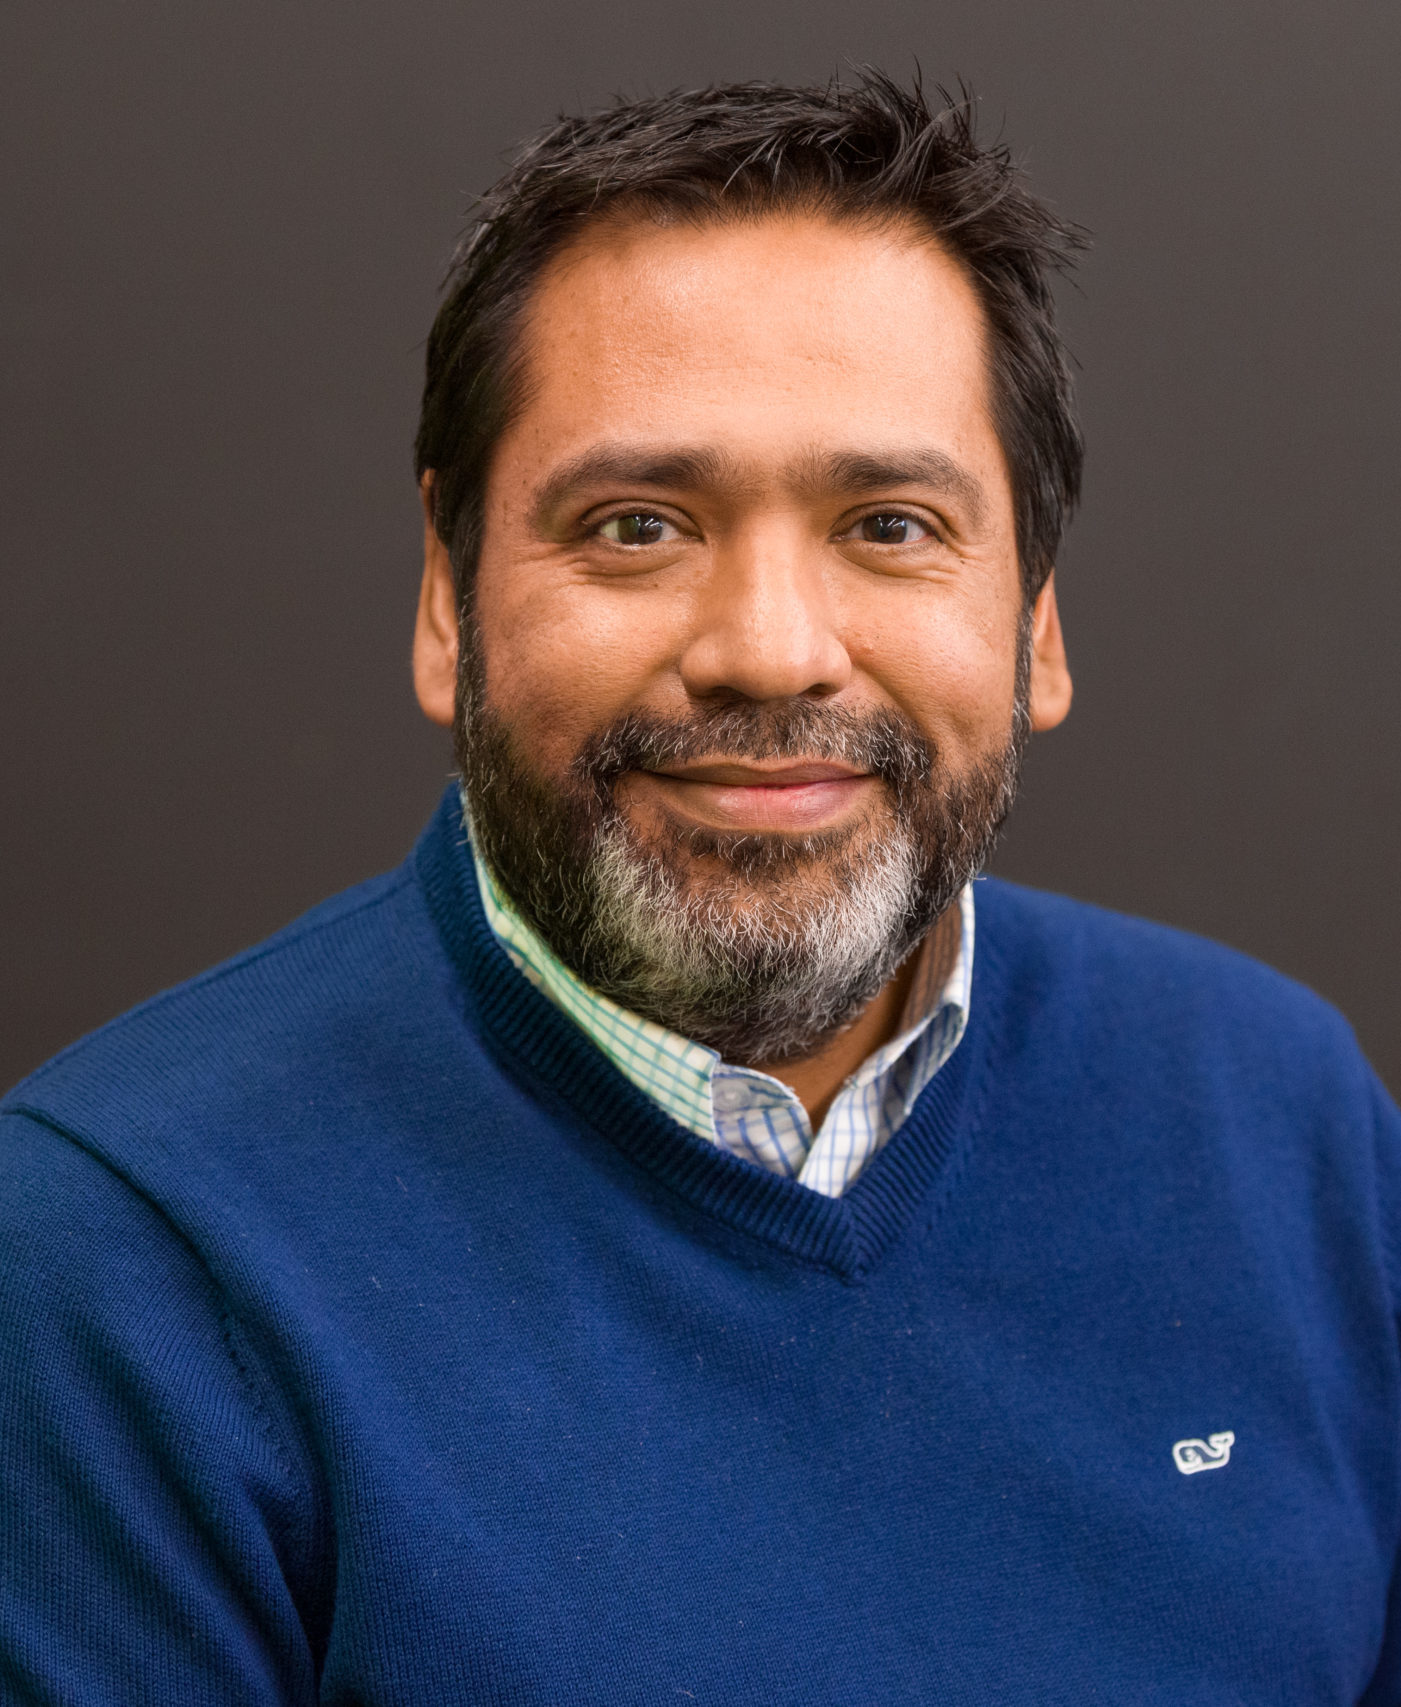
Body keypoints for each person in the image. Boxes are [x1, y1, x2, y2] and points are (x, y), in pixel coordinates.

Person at [2, 72, 1398, 1704]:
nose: (769, 650)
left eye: (889, 524)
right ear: (448, 595)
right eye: (637, 525)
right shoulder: (118, 1259)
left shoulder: (1277, 1118)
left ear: (1034, 618)